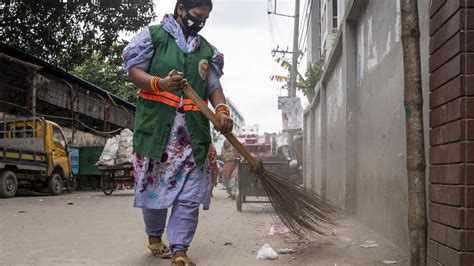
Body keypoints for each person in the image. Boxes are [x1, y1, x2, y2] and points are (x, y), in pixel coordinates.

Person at [121, 1, 233, 265]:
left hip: (192, 137)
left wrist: (222, 110)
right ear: (181, 9)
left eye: (206, 18)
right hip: (158, 134)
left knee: (191, 195)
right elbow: (133, 72)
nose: (201, 21)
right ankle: (154, 236)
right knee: (155, 192)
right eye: (197, 15)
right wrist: (159, 83)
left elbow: (213, 85)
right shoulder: (154, 37)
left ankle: (180, 250)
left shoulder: (206, 50)